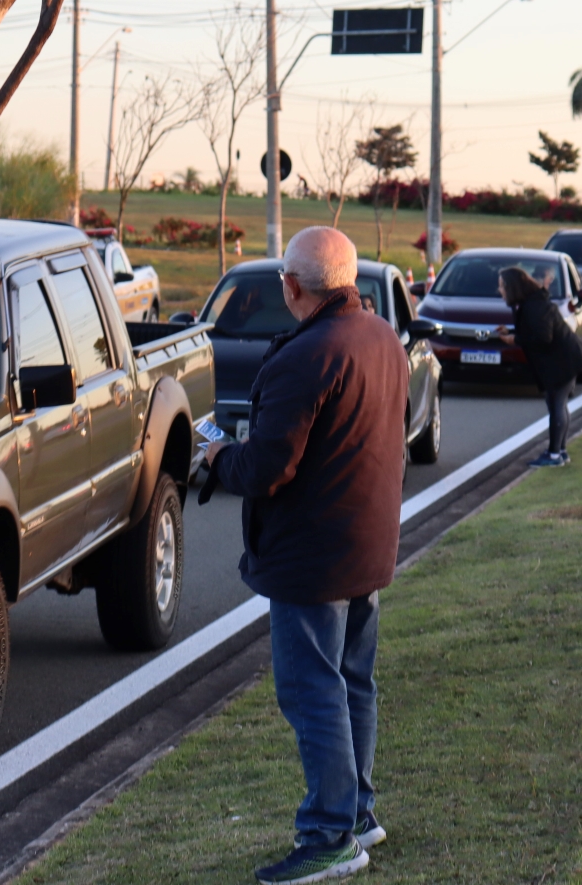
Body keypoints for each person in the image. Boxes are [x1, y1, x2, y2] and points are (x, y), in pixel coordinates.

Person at [204, 226, 409, 885]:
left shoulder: (304, 356)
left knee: (312, 688)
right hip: (365, 543)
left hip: (310, 555)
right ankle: (359, 810)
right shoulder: (382, 337)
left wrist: (215, 455)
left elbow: (266, 468)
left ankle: (329, 833)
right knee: (352, 680)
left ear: (293, 286)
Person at [496, 266, 582, 468]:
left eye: (502, 286)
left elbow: (543, 337)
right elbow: (535, 329)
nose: (500, 291)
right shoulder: (531, 303)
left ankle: (554, 455)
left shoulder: (535, 306)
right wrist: (510, 331)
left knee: (556, 404)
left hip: (563, 361)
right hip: (562, 359)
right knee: (557, 404)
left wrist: (514, 339)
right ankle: (559, 451)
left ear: (513, 287)